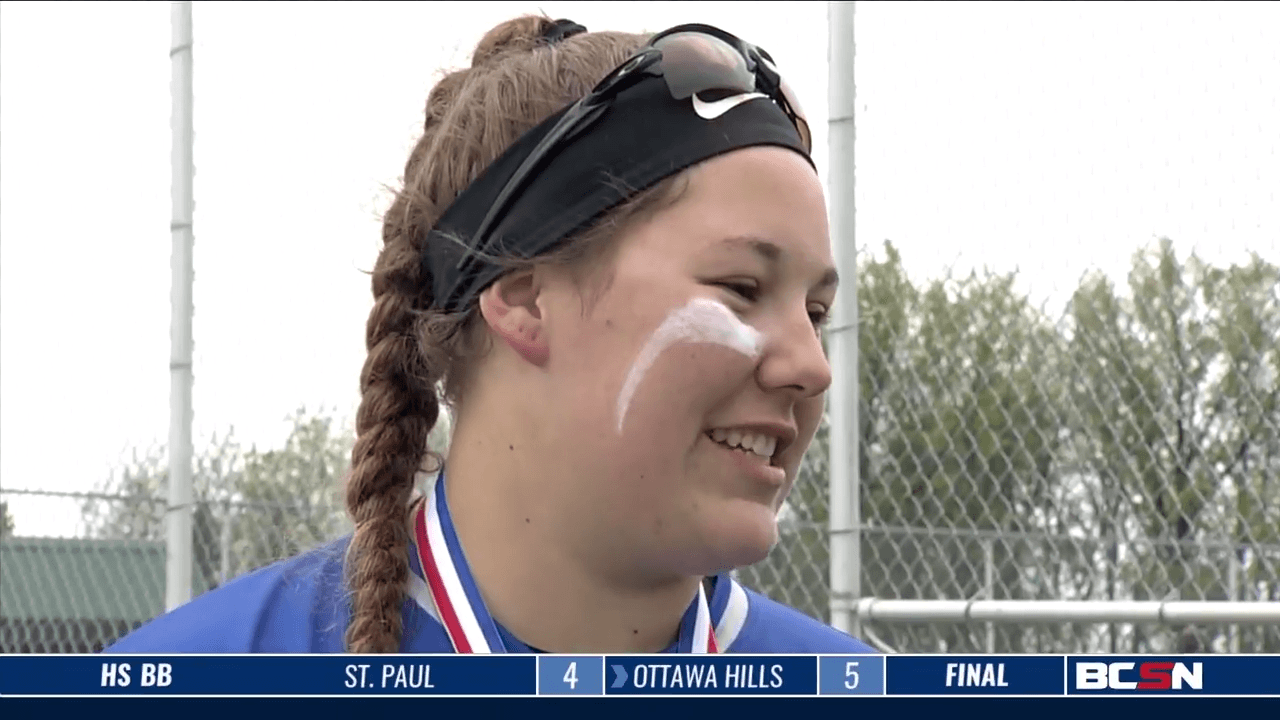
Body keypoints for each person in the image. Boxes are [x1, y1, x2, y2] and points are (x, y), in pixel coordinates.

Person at [106, 15, 875, 655]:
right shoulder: (201, 674)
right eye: (741, 289)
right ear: (524, 298)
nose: (811, 367)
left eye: (814, 313)